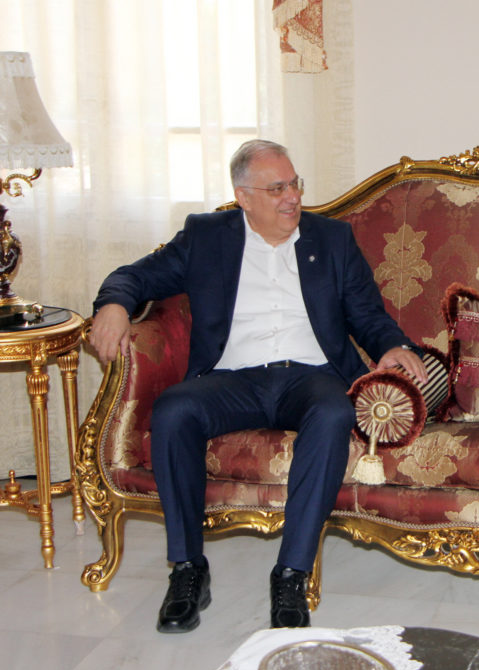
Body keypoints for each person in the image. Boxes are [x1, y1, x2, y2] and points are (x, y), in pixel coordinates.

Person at [88, 140, 427, 634]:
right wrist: (114, 305)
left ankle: (291, 574)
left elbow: (367, 314)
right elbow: (134, 276)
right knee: (174, 411)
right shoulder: (206, 236)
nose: (292, 197)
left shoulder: (331, 238)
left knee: (334, 412)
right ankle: (187, 569)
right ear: (243, 197)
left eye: (295, 184)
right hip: (233, 380)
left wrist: (393, 346)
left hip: (311, 377)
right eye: (277, 189)